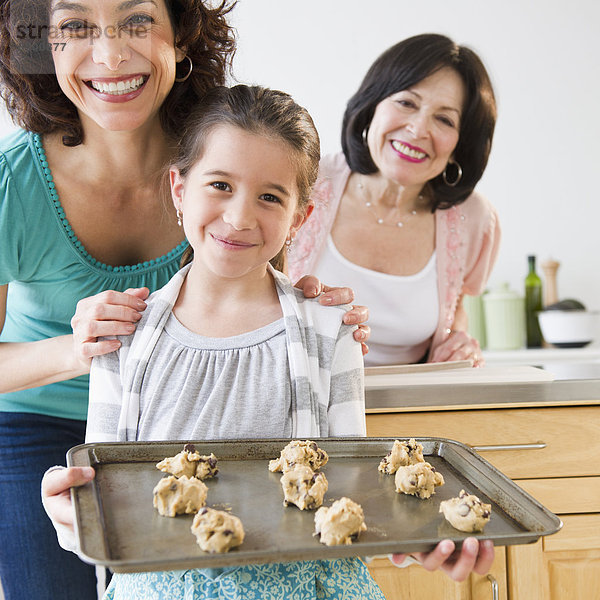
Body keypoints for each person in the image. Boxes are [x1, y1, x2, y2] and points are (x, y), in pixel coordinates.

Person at [43, 85, 495, 598]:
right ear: (178, 189)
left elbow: (353, 492)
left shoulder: (332, 330)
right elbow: (102, 503)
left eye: (270, 197)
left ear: (299, 217)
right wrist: (65, 509)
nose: (239, 217)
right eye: (219, 185)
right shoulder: (123, 336)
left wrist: (418, 537)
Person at [0, 2, 365, 599]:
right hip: (33, 418)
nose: (112, 53)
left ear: (183, 36)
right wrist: (79, 350)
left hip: (179, 427)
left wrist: (308, 309)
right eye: (75, 26)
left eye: (136, 21)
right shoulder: (9, 184)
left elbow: (264, 272)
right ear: (44, 49)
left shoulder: (225, 149)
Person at [288, 33, 501, 368]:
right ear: (372, 106)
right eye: (407, 103)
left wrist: (459, 345)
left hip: (411, 411)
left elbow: (452, 309)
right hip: (299, 405)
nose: (418, 129)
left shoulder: (472, 219)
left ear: (461, 144)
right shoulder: (305, 180)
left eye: (444, 119)